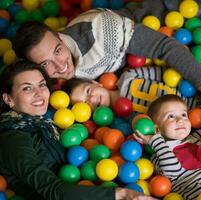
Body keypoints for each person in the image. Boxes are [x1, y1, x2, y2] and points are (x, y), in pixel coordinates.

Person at [12, 8, 201, 128]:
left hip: (158, 15)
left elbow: (165, 46)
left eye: (58, 51)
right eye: (45, 64)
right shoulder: (45, 81)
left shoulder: (100, 32)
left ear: (60, 37)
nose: (60, 66)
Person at [0, 60, 157, 200]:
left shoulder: (45, 122)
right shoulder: (12, 138)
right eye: (27, 88)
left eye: (42, 85)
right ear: (9, 99)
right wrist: (121, 194)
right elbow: (53, 191)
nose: (39, 93)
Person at [63, 66, 201, 148]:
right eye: (84, 105)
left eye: (88, 91)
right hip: (195, 127)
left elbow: (165, 73)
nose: (91, 99)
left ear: (95, 82)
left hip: (199, 95)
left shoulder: (128, 76)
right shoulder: (120, 122)